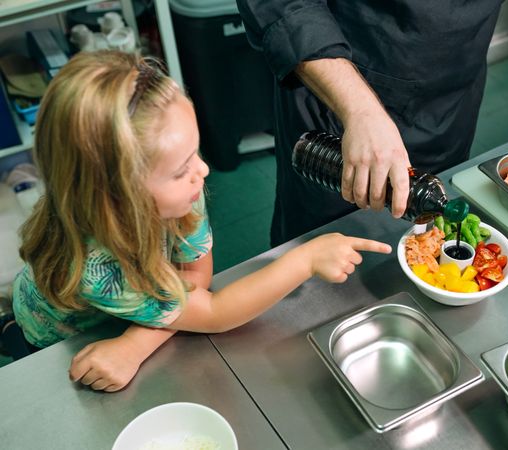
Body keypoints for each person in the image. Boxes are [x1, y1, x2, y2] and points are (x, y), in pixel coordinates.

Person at [7, 51, 391, 392]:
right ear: (118, 198)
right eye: (180, 170)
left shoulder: (183, 186)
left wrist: (137, 341)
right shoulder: (95, 268)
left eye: (196, 153)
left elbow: (195, 275)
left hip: (130, 303)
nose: (203, 170)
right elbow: (213, 312)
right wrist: (304, 260)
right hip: (59, 336)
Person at [236, 0, 508, 246]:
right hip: (339, 101)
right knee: (326, 248)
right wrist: (360, 111)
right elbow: (286, 5)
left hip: (449, 99)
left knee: (427, 232)